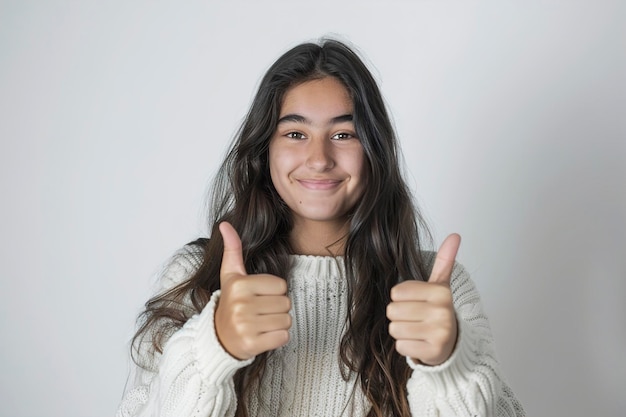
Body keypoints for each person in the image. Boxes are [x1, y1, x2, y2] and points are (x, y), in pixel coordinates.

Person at [117, 39, 525, 417]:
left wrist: (449, 365)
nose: (318, 158)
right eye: (296, 133)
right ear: (264, 150)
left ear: (374, 152)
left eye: (344, 134)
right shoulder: (197, 275)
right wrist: (214, 346)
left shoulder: (437, 290)